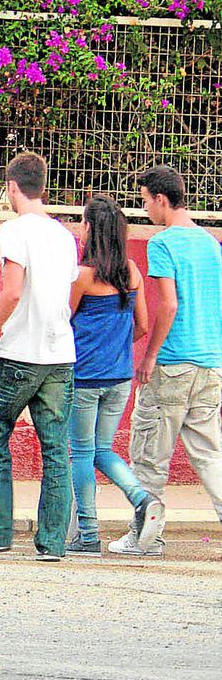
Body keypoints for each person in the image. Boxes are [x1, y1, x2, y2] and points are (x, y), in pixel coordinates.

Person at [0, 152, 78, 561]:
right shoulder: (64, 235)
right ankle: (53, 542)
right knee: (56, 447)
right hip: (60, 353)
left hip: (19, 351)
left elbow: (12, 291)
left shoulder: (14, 230)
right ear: (42, 186)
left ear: (10, 187)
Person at [109, 165, 222, 556]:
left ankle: (145, 537)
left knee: (149, 455)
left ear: (161, 198)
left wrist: (150, 356)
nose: (145, 210)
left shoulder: (162, 243)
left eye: (145, 201)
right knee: (209, 455)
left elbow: (169, 305)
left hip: (173, 363)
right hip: (210, 364)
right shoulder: (211, 244)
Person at [65, 194, 153, 556]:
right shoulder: (131, 271)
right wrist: (115, 346)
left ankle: (86, 534)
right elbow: (142, 325)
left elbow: (62, 320)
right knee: (102, 449)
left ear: (90, 229)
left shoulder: (83, 275)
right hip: (119, 377)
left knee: (81, 454)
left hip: (84, 377)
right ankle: (142, 498)